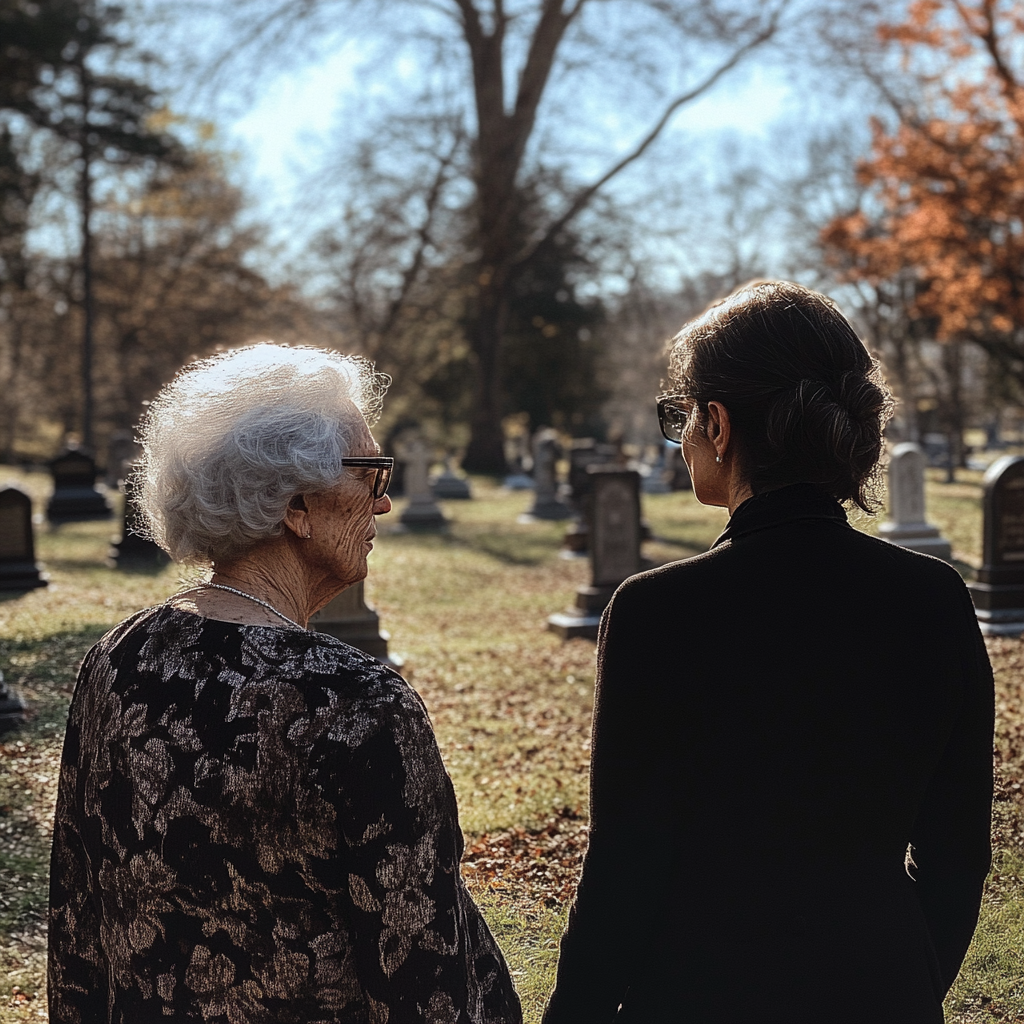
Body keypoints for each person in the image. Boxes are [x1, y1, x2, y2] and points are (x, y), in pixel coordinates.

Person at [543, 282, 993, 1024]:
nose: (680, 436)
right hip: (882, 990)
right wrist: (901, 983)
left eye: (679, 417)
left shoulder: (659, 613)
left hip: (695, 995)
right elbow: (956, 861)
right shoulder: (935, 598)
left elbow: (625, 867)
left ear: (717, 425)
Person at [48, 343, 522, 1024]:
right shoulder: (358, 707)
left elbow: (76, 929)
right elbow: (424, 983)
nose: (384, 501)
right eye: (370, 473)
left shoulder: (118, 658)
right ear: (298, 505)